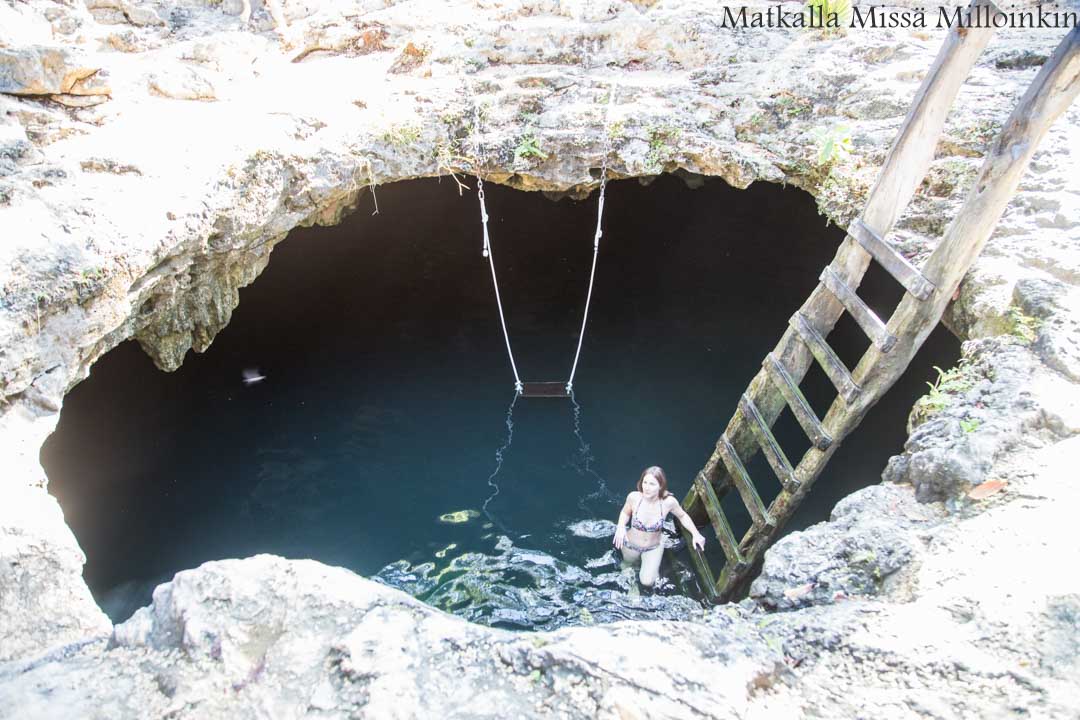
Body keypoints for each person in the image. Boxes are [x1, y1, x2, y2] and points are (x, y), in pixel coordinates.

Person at [613, 466, 707, 588]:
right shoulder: (634, 497)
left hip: (653, 546)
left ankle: (653, 567)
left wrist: (696, 534)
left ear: (660, 486)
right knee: (628, 567)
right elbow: (625, 513)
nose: (646, 487)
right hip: (631, 544)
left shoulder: (669, 502)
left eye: (652, 484)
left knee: (647, 582)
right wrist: (620, 527)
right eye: (645, 482)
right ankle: (633, 588)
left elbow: (682, 516)